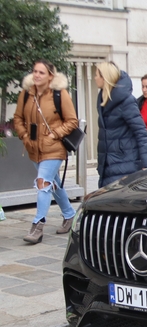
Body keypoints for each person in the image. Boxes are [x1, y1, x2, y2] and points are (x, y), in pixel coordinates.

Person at [13, 59, 78, 244]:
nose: (36, 75)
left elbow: (72, 121)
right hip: (33, 148)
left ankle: (37, 225)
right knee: (52, 182)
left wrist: (54, 135)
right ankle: (69, 214)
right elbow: (18, 118)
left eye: (41, 72)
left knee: (43, 182)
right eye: (35, 71)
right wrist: (24, 136)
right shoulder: (26, 94)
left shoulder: (60, 94)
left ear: (50, 75)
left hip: (54, 147)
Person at [95, 62, 147, 188]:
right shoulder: (103, 99)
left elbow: (141, 133)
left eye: (97, 75)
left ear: (105, 77)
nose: (95, 78)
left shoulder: (126, 101)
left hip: (125, 164)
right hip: (108, 165)